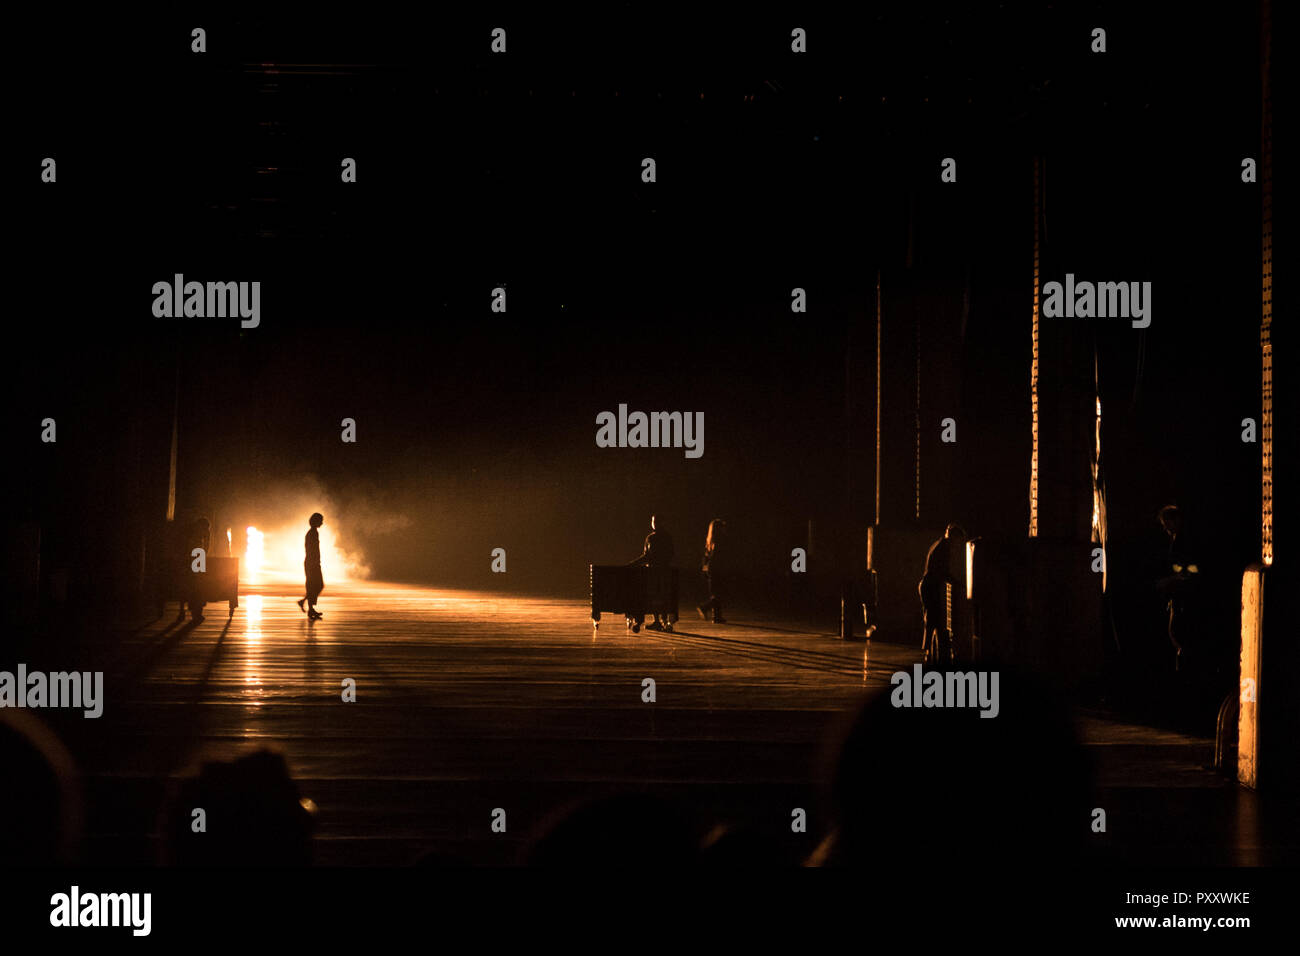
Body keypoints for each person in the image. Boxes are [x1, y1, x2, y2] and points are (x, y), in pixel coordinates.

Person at [918, 523, 964, 662]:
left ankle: (929, 651)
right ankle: (931, 652)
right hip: (930, 586)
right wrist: (959, 583)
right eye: (958, 540)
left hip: (928, 585)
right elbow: (943, 572)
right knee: (934, 619)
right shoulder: (944, 549)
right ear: (954, 537)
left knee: (932, 619)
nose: (958, 545)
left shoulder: (939, 545)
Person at [628, 515, 675, 631]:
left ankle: (657, 621)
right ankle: (664, 621)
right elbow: (671, 554)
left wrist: (633, 564)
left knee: (654, 595)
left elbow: (646, 556)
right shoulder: (667, 537)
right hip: (664, 570)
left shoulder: (651, 538)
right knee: (662, 595)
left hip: (654, 571)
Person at [697, 518, 727, 623]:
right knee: (719, 593)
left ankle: (717, 616)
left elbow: (706, 556)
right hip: (717, 568)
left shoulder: (710, 541)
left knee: (715, 593)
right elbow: (717, 557)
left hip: (710, 569)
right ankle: (705, 607)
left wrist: (704, 569)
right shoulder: (719, 540)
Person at [181, 516, 211, 624]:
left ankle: (186, 610)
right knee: (198, 585)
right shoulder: (199, 550)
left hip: (187, 562)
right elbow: (207, 546)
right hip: (197, 559)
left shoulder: (187, 541)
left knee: (191, 585)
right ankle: (196, 612)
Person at [297, 513, 325, 620]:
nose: (322, 523)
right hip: (312, 563)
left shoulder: (313, 533)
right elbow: (311, 550)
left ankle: (309, 608)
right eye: (320, 520)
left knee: (313, 586)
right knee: (318, 585)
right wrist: (315, 562)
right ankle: (305, 603)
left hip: (312, 562)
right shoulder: (312, 533)